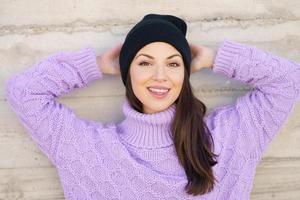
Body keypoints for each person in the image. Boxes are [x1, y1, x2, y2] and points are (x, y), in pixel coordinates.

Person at [4, 13, 300, 200]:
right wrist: (93, 66)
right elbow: (24, 91)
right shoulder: (84, 149)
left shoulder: (230, 137)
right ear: (126, 71)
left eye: (173, 64)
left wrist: (215, 58)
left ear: (186, 73)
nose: (160, 76)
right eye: (144, 62)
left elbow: (288, 81)